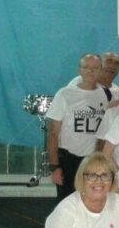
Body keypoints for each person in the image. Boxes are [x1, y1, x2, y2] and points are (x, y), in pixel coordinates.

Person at [47, 54, 111, 199]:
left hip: (92, 159)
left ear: (101, 70)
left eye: (95, 68)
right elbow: (52, 133)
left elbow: (105, 132)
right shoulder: (65, 94)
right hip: (68, 159)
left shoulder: (105, 94)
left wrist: (100, 159)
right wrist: (55, 167)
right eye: (86, 67)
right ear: (79, 70)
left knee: (93, 200)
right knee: (66, 202)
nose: (91, 71)